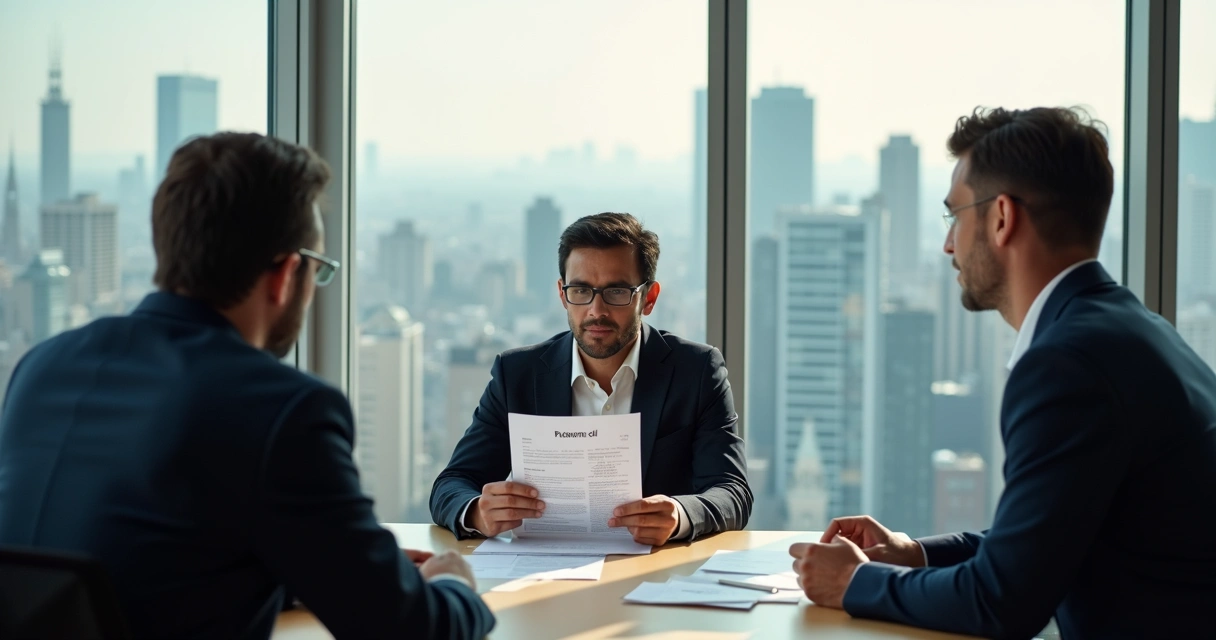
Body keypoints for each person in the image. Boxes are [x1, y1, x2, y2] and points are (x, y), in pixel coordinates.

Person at [0, 133, 495, 639]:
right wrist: (453, 582)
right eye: (316, 271)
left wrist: (317, 566)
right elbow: (417, 633)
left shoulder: (43, 367)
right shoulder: (282, 411)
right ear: (285, 275)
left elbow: (141, 567)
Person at [788, 106, 1216, 639]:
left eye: (954, 217)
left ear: (1001, 218)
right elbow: (1048, 538)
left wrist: (854, 582)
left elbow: (1002, 601)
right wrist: (914, 555)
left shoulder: (1067, 365)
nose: (948, 244)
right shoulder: (1132, 329)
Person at [431, 212, 752, 546]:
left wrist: (680, 514)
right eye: (581, 290)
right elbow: (451, 485)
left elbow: (733, 493)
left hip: (656, 575)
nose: (596, 310)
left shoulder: (697, 371)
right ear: (562, 293)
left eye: (616, 292)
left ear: (650, 297)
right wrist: (476, 512)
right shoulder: (517, 374)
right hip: (542, 577)